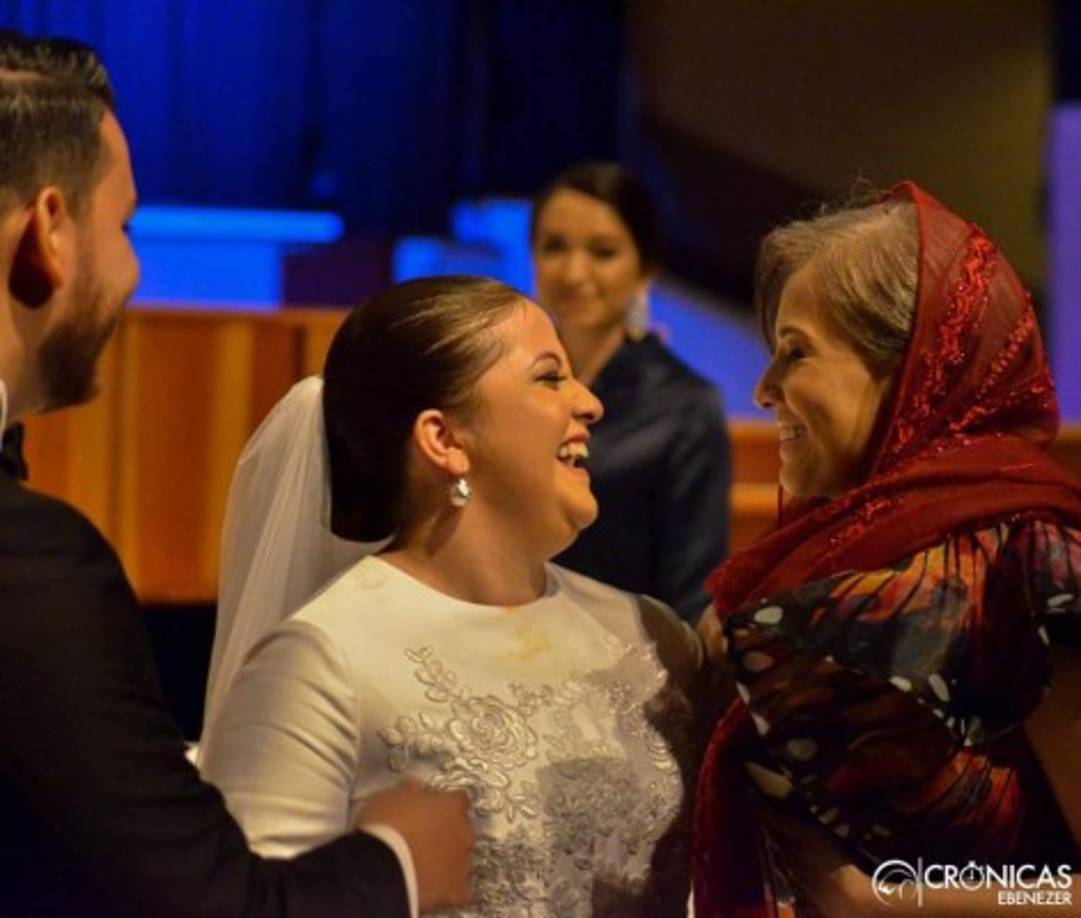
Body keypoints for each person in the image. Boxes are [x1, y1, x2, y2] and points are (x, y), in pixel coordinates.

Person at [0, 31, 473, 917]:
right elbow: (207, 903)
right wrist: (401, 858)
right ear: (49, 232)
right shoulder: (32, 567)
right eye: (125, 227)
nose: (134, 270)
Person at [198, 275, 702, 916]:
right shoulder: (322, 661)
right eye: (550, 378)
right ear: (445, 441)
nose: (590, 404)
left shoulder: (648, 634)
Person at [692, 182, 1081, 916]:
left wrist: (888, 904)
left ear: (910, 367)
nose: (765, 389)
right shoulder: (821, 561)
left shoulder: (1029, 558)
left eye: (794, 353)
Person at [531, 162, 730, 623]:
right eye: (554, 247)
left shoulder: (687, 405)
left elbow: (692, 592)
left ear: (645, 270)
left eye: (603, 252)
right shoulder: (505, 384)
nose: (573, 271)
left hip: (621, 658)